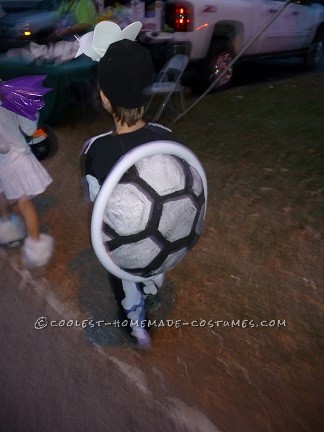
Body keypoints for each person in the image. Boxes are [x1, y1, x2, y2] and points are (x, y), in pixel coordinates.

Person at [83, 39, 177, 349]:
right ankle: (152, 278)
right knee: (147, 245)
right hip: (166, 236)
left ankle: (136, 325)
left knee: (121, 271)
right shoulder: (166, 137)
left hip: (126, 246)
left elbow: (98, 207)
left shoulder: (96, 151)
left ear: (104, 98)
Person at [0, 102, 54, 268]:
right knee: (24, 202)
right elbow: (30, 130)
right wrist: (32, 112)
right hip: (16, 160)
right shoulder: (11, 99)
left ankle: (7, 230)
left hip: (2, 160)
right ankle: (36, 250)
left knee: (1, 193)